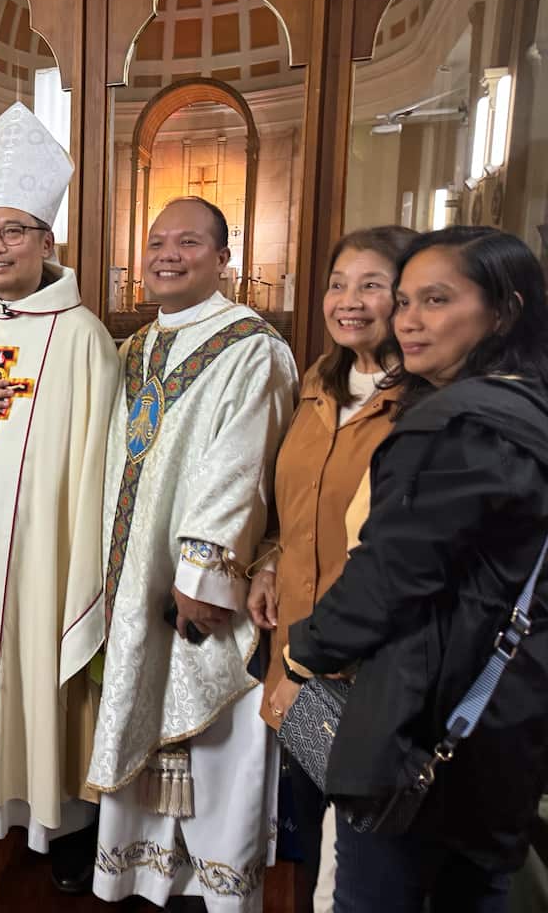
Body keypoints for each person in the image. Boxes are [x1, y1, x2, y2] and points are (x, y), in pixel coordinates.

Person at [282, 227, 548, 913]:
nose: (409, 320)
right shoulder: (528, 405)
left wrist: (302, 655)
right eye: (404, 301)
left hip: (417, 715)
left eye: (436, 300)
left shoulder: (455, 423)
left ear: (505, 311)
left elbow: (390, 576)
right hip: (505, 709)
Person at [0, 101, 120, 892]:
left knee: (42, 671)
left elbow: (101, 459)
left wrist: (80, 553)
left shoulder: (83, 336)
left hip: (46, 550)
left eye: (13, 232)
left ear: (46, 241)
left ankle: (58, 818)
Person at [89, 196, 298, 912]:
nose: (167, 256)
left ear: (223, 259)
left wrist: (202, 574)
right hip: (133, 577)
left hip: (201, 591)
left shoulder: (252, 348)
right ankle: (147, 874)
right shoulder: (136, 346)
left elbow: (243, 464)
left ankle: (217, 888)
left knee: (216, 741)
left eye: (188, 243)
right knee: (140, 708)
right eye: (156, 243)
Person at [248, 225, 414, 911]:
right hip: (300, 646)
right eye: (338, 284)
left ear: (407, 298)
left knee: (363, 856)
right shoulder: (316, 383)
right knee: (314, 837)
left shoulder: (423, 402)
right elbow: (291, 502)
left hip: (369, 663)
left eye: (372, 285)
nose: (350, 301)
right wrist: (267, 563)